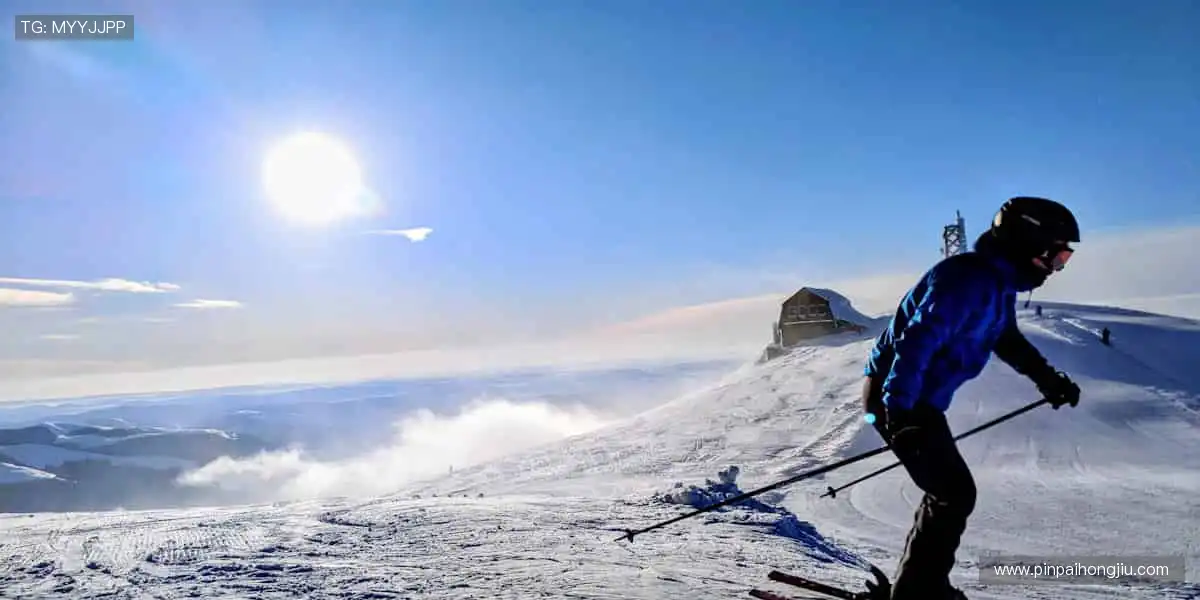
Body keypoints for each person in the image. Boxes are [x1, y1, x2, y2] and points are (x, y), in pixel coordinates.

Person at [860, 196, 1083, 599]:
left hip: (915, 399)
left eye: (1064, 259)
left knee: (951, 492)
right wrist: (898, 412)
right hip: (899, 396)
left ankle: (918, 589)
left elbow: (1006, 339)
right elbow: (917, 342)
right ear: (1027, 242)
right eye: (1057, 255)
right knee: (952, 491)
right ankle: (918, 593)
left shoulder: (996, 286)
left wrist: (1048, 379)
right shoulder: (966, 280)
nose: (1057, 267)